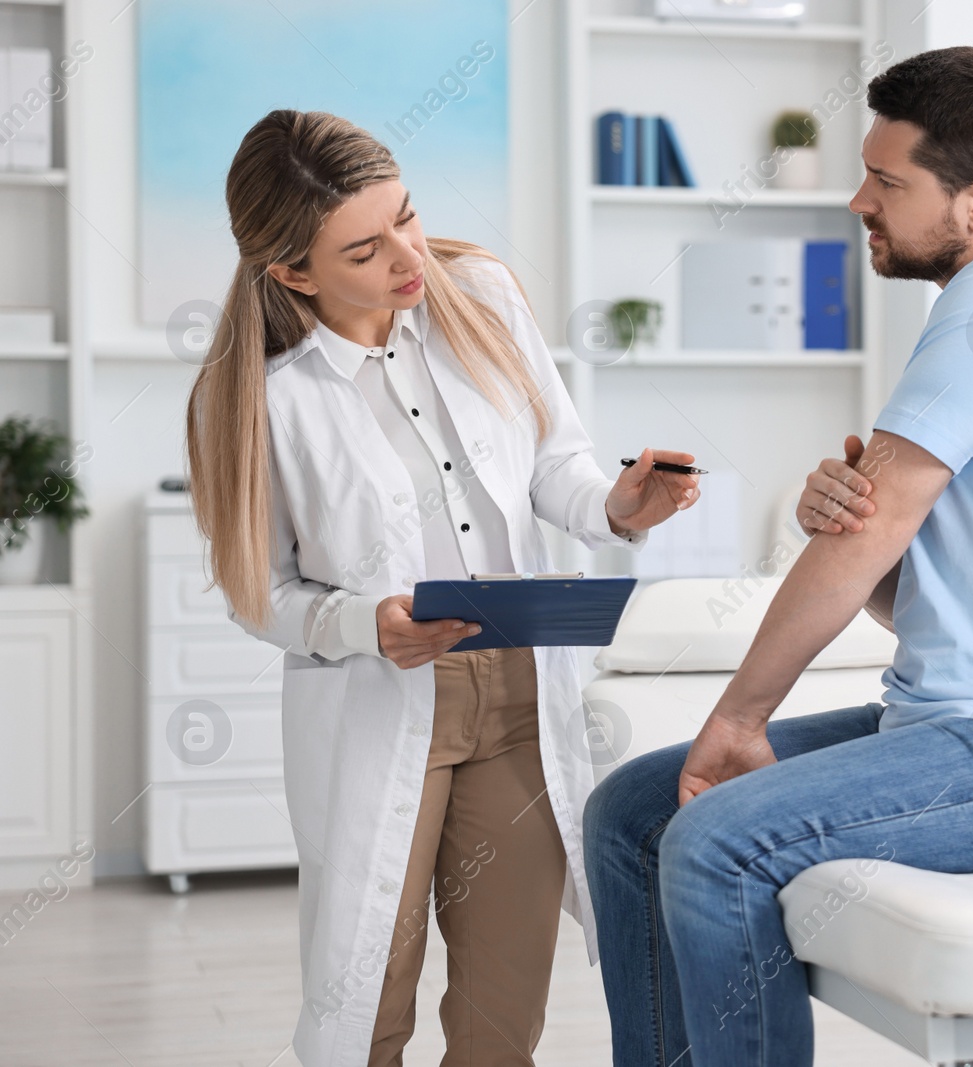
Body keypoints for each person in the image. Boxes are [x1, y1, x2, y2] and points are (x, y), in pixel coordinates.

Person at [583, 46, 973, 1067]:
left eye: (887, 182)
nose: (858, 199)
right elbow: (902, 590)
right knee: (632, 807)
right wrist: (848, 527)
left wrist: (739, 717)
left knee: (717, 839)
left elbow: (874, 523)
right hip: (969, 725)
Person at [185, 109, 701, 1067]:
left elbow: (559, 468)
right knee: (365, 1005)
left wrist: (621, 506)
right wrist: (362, 624)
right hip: (382, 707)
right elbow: (260, 593)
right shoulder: (266, 395)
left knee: (504, 1013)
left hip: (517, 697)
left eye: (408, 218)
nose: (406, 258)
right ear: (293, 272)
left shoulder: (484, 298)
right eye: (364, 249)